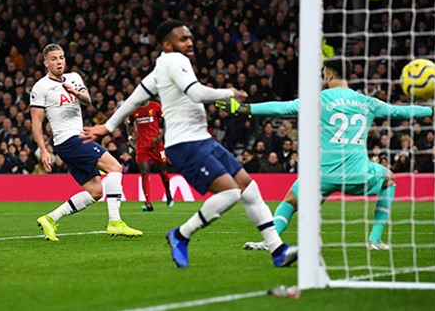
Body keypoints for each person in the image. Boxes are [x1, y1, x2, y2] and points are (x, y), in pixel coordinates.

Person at [83, 20, 297, 268]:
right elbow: (195, 93)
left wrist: (108, 126)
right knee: (231, 193)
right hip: (185, 143)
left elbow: (135, 98)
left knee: (249, 189)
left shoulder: (161, 67)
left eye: (190, 37)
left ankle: (278, 250)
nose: (189, 42)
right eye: (183, 39)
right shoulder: (175, 61)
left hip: (201, 139)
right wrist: (229, 92)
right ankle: (181, 235)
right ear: (167, 44)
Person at [216, 57, 435, 251]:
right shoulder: (367, 102)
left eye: (323, 74)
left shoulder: (318, 99)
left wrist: (244, 108)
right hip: (357, 174)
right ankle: (374, 240)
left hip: (322, 176)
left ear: (329, 74)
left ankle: (270, 242)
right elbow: (401, 112)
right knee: (389, 178)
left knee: (290, 199)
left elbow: (284, 107)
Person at [31, 43, 142, 242]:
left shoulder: (74, 77)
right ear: (45, 63)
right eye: (54, 59)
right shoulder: (41, 87)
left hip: (76, 139)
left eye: (62, 57)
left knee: (96, 191)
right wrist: (43, 149)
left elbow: (87, 100)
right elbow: (36, 122)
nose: (59, 62)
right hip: (68, 140)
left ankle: (50, 218)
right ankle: (115, 222)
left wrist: (76, 92)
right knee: (115, 167)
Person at [125, 100, 174, 211]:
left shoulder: (155, 106)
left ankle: (168, 194)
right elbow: (129, 124)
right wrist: (130, 137)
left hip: (156, 145)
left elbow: (167, 120)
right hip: (142, 146)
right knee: (144, 172)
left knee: (163, 172)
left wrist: (161, 135)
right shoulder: (134, 109)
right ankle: (148, 203)